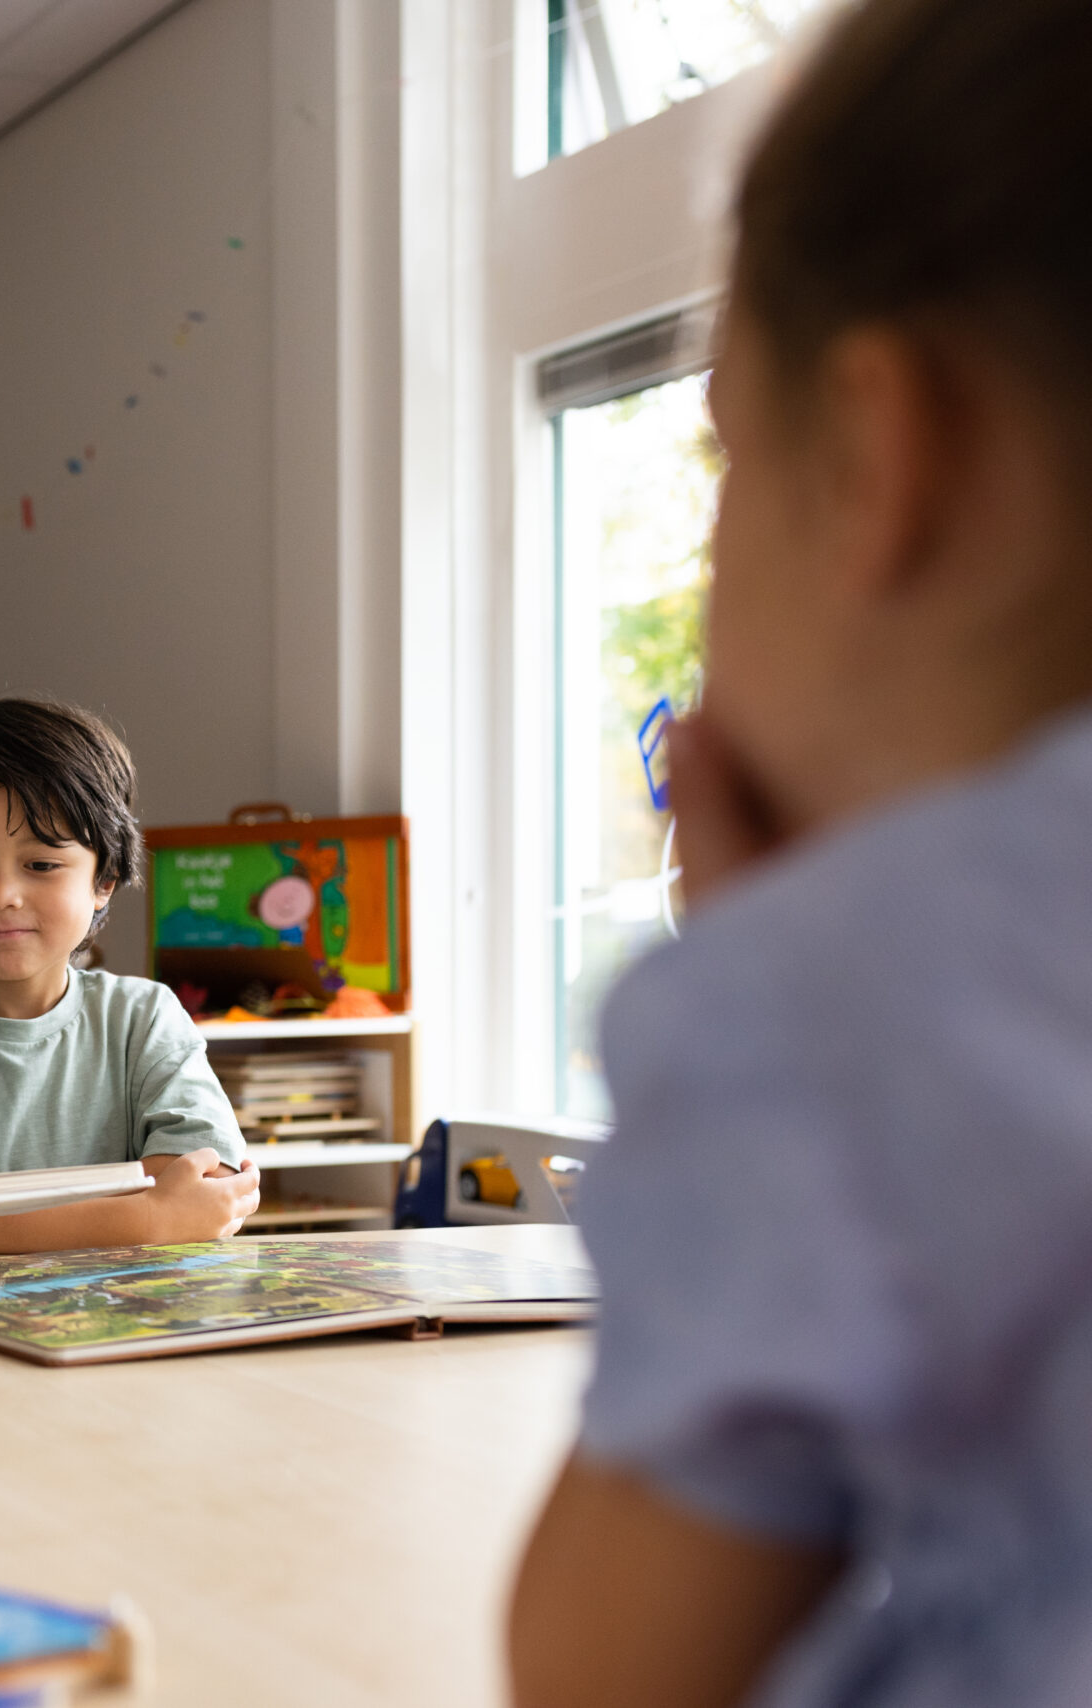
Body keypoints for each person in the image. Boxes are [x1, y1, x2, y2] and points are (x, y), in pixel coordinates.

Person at [507, 2, 1092, 1704]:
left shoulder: (844, 995)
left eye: (725, 467)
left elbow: (606, 1666)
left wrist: (769, 988)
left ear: (880, 457)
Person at [0, 700, 261, 1250]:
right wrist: (147, 1220)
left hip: (145, 1322)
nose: (0, 895)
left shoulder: (145, 1019)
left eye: (41, 864)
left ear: (105, 878)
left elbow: (202, 1180)